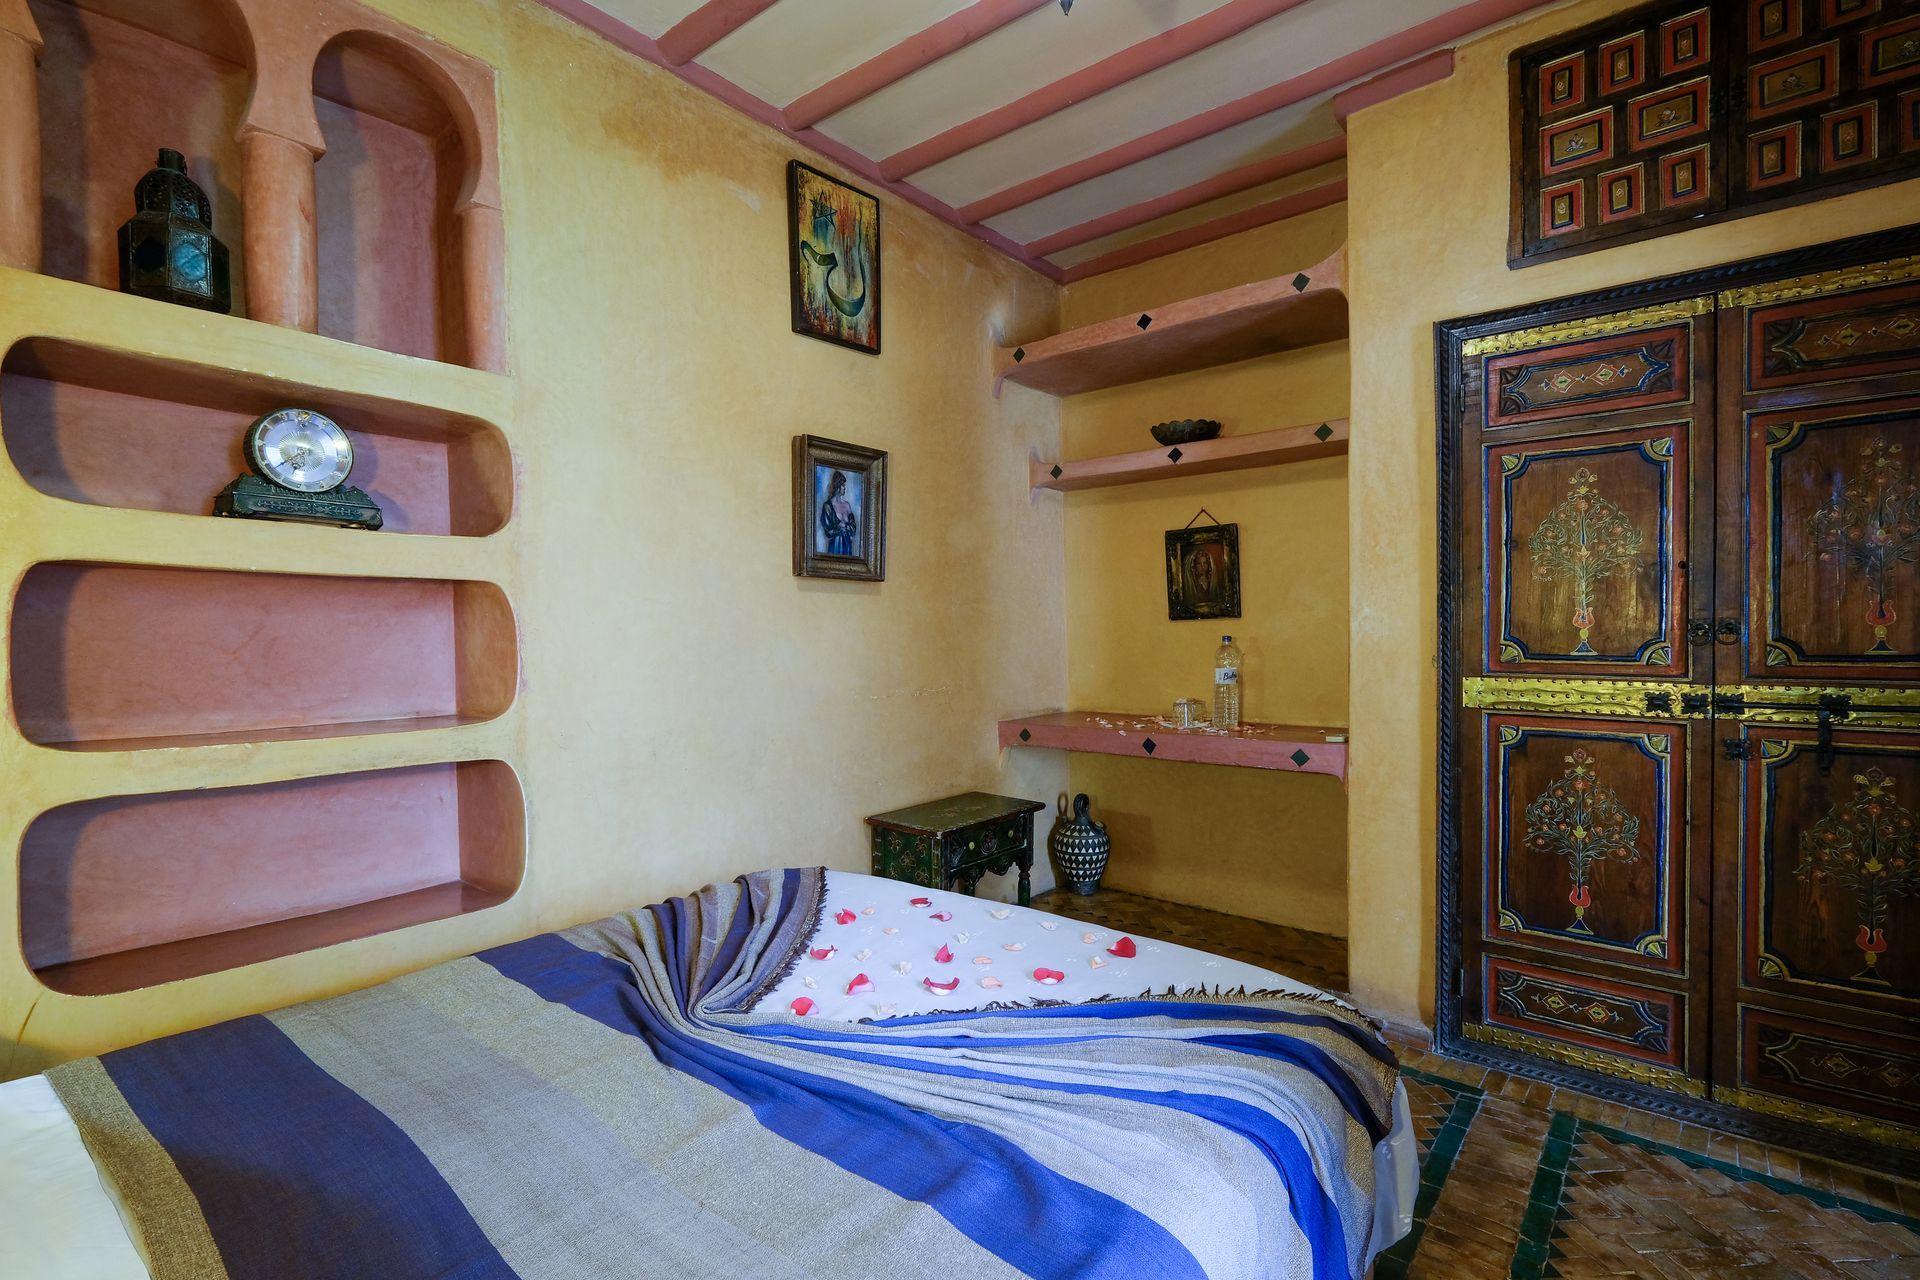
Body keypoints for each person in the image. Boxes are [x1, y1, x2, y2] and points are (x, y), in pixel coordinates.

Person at [820, 469, 858, 556]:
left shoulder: (847, 505)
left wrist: (847, 527)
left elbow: (853, 529)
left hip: (847, 546)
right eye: (843, 485)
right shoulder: (827, 506)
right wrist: (839, 527)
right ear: (838, 486)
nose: (845, 488)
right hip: (835, 547)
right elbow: (828, 532)